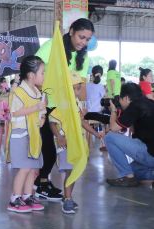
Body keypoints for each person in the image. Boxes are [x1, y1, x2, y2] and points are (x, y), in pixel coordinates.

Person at [34, 18, 95, 200]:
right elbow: (33, 70)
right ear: (71, 31)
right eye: (81, 37)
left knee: (68, 148)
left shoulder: (84, 57)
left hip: (68, 109)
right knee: (48, 150)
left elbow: (80, 87)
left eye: (87, 39)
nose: (83, 42)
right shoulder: (52, 46)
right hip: (47, 105)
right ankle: (41, 184)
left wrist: (82, 107)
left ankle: (43, 184)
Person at [50, 72, 103, 214]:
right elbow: (53, 122)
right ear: (70, 88)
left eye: (80, 87)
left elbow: (82, 122)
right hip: (66, 143)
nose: (81, 90)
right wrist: (59, 138)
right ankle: (67, 200)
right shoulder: (64, 103)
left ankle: (68, 197)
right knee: (69, 172)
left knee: (73, 171)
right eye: (78, 87)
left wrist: (95, 133)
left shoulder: (76, 103)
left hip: (75, 143)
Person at [6, 55, 46, 213]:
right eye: (42, 72)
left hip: (34, 135)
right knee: (24, 167)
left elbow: (42, 111)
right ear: (31, 75)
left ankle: (27, 195)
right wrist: (37, 108)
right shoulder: (18, 92)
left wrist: (42, 117)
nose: (44, 76)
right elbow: (15, 112)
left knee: (31, 168)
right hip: (20, 134)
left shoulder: (37, 91)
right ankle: (14, 199)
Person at [105, 83, 154, 186]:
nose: (120, 102)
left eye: (120, 99)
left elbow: (113, 128)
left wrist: (113, 110)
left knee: (109, 137)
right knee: (134, 170)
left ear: (126, 98)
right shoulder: (149, 103)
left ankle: (128, 178)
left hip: (150, 153)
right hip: (150, 152)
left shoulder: (134, 106)